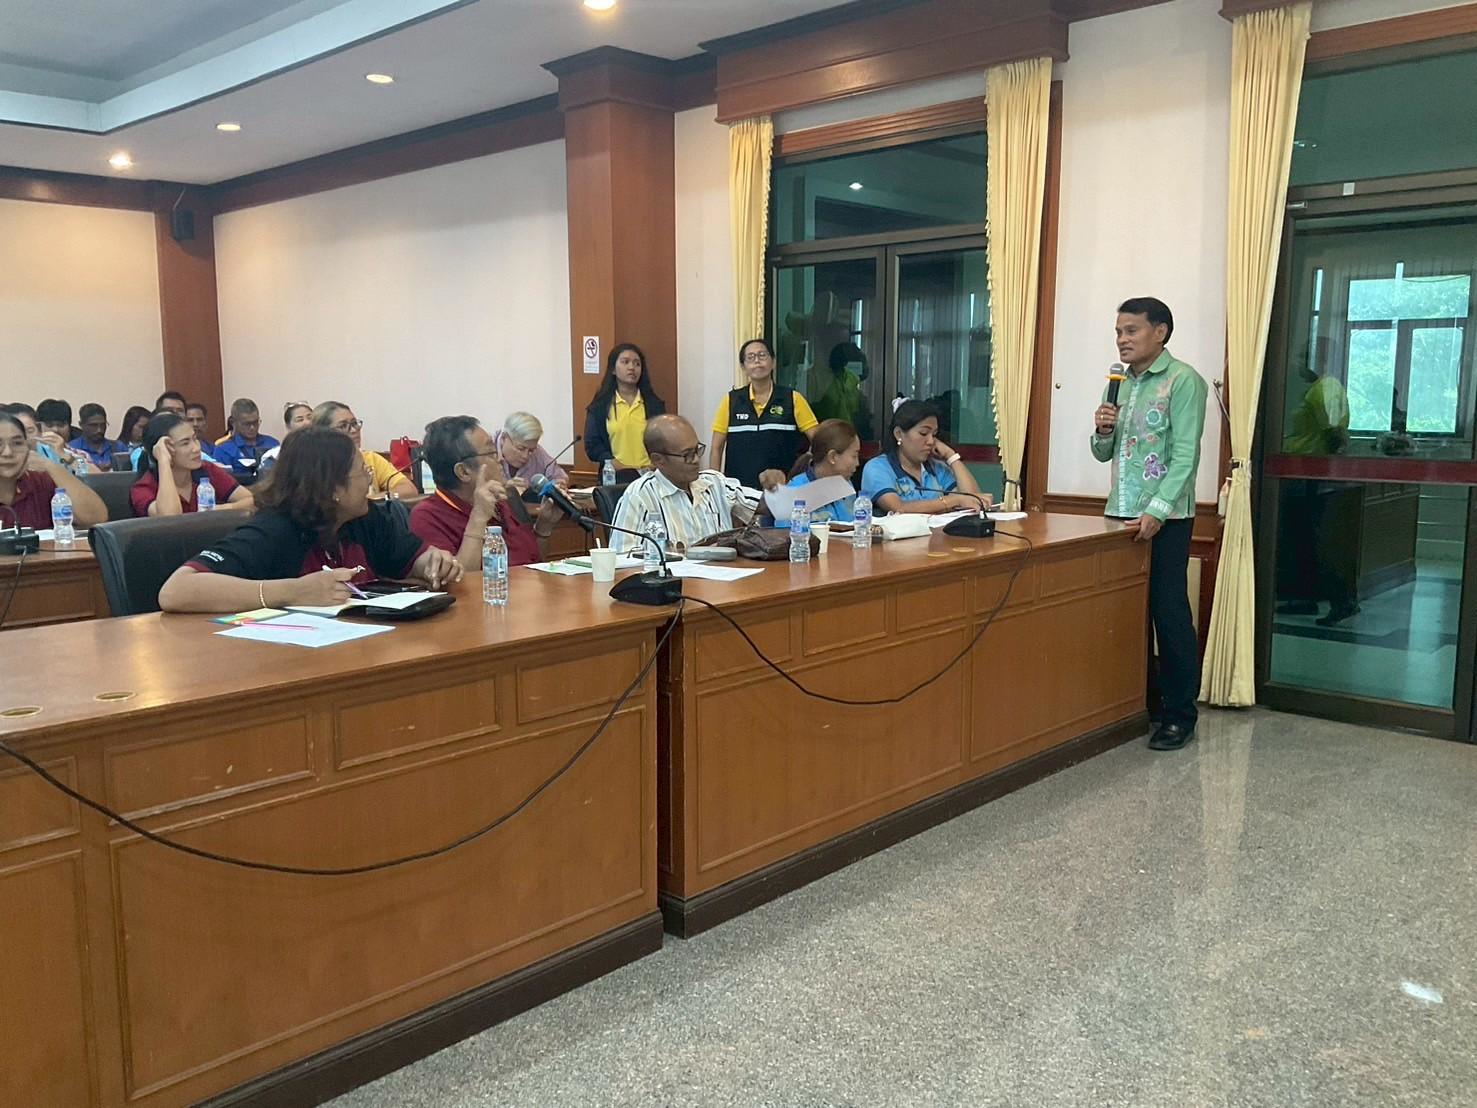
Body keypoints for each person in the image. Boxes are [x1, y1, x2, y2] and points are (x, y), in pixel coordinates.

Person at [158, 427, 460, 613]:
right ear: (333, 488)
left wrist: (435, 562)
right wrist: (293, 592)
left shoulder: (368, 517)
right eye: (362, 472)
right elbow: (175, 591)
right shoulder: (275, 528)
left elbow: (412, 559)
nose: (370, 481)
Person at [1090, 296, 1207, 752]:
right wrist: (1103, 430)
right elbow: (1104, 453)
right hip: (1120, 513)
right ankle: (1139, 703)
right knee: (1125, 613)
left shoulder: (1183, 380)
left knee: (1168, 612)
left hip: (1166, 518)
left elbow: (1186, 456)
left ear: (1160, 332)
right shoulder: (1118, 384)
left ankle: (1179, 716)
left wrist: (1157, 511)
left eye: (1131, 330)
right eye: (1118, 332)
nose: (1122, 340)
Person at [411, 416, 560, 571]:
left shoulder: (503, 500)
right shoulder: (427, 516)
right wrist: (479, 517)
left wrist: (544, 526)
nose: (500, 460)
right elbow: (460, 581)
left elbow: (533, 562)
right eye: (491, 453)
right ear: (463, 472)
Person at [609, 415, 757, 554]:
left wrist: (770, 488)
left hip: (724, 572)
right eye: (687, 455)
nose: (696, 460)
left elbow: (762, 505)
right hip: (672, 574)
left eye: (697, 450)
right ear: (658, 460)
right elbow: (622, 559)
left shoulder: (714, 483)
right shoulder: (639, 496)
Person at [710, 338, 818, 488]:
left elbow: (819, 440)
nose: (757, 361)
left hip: (784, 489)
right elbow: (716, 448)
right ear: (743, 366)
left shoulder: (792, 399)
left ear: (773, 362)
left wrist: (805, 470)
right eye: (751, 357)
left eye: (762, 355)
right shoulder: (731, 401)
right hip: (739, 491)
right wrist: (715, 486)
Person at [859, 399, 989, 515]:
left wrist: (951, 456)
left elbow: (973, 500)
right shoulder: (878, 468)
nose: (931, 441)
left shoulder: (936, 468)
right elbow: (898, 507)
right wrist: (954, 500)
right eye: (924, 433)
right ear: (898, 434)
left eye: (934, 434)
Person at [130, 412, 252, 517]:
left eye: (195, 439)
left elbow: (250, 500)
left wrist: (219, 510)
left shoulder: (206, 470)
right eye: (185, 443)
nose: (196, 448)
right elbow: (169, 519)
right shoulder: (143, 488)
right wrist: (163, 461)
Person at [0, 411, 107, 530]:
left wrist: (50, 466)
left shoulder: (39, 481)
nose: (8, 453)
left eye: (17, 443)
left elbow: (96, 518)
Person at [584, 343, 667, 473]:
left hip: (649, 475)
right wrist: (611, 462)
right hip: (615, 475)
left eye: (637, 364)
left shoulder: (654, 405)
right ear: (613, 369)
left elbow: (664, 441)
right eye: (625, 362)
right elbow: (592, 446)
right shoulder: (600, 407)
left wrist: (656, 463)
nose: (631, 367)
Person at [761, 419, 862, 522]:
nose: (857, 463)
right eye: (854, 456)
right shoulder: (794, 492)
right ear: (832, 457)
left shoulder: (847, 485)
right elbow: (786, 531)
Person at [310, 402, 416, 498]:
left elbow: (409, 490)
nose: (354, 430)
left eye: (354, 423)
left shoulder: (370, 458)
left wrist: (371, 501)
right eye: (343, 426)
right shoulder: (317, 467)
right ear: (323, 433)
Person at [493, 411, 570, 488]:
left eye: (531, 451)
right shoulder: (487, 449)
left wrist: (558, 484)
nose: (525, 456)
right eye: (521, 448)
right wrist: (504, 487)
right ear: (504, 438)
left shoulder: (538, 452)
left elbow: (560, 478)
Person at [213, 398, 279, 482]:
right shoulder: (223, 450)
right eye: (246, 424)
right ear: (233, 422)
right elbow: (221, 481)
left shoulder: (272, 443)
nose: (252, 427)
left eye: (255, 422)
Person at [66, 404, 123, 470]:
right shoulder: (71, 449)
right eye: (93, 425)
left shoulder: (119, 447)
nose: (99, 430)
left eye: (102, 425)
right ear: (81, 425)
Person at [260, 402, 313, 468]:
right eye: (300, 420)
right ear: (288, 426)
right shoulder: (273, 456)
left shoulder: (323, 451)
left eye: (310, 418)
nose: (307, 422)